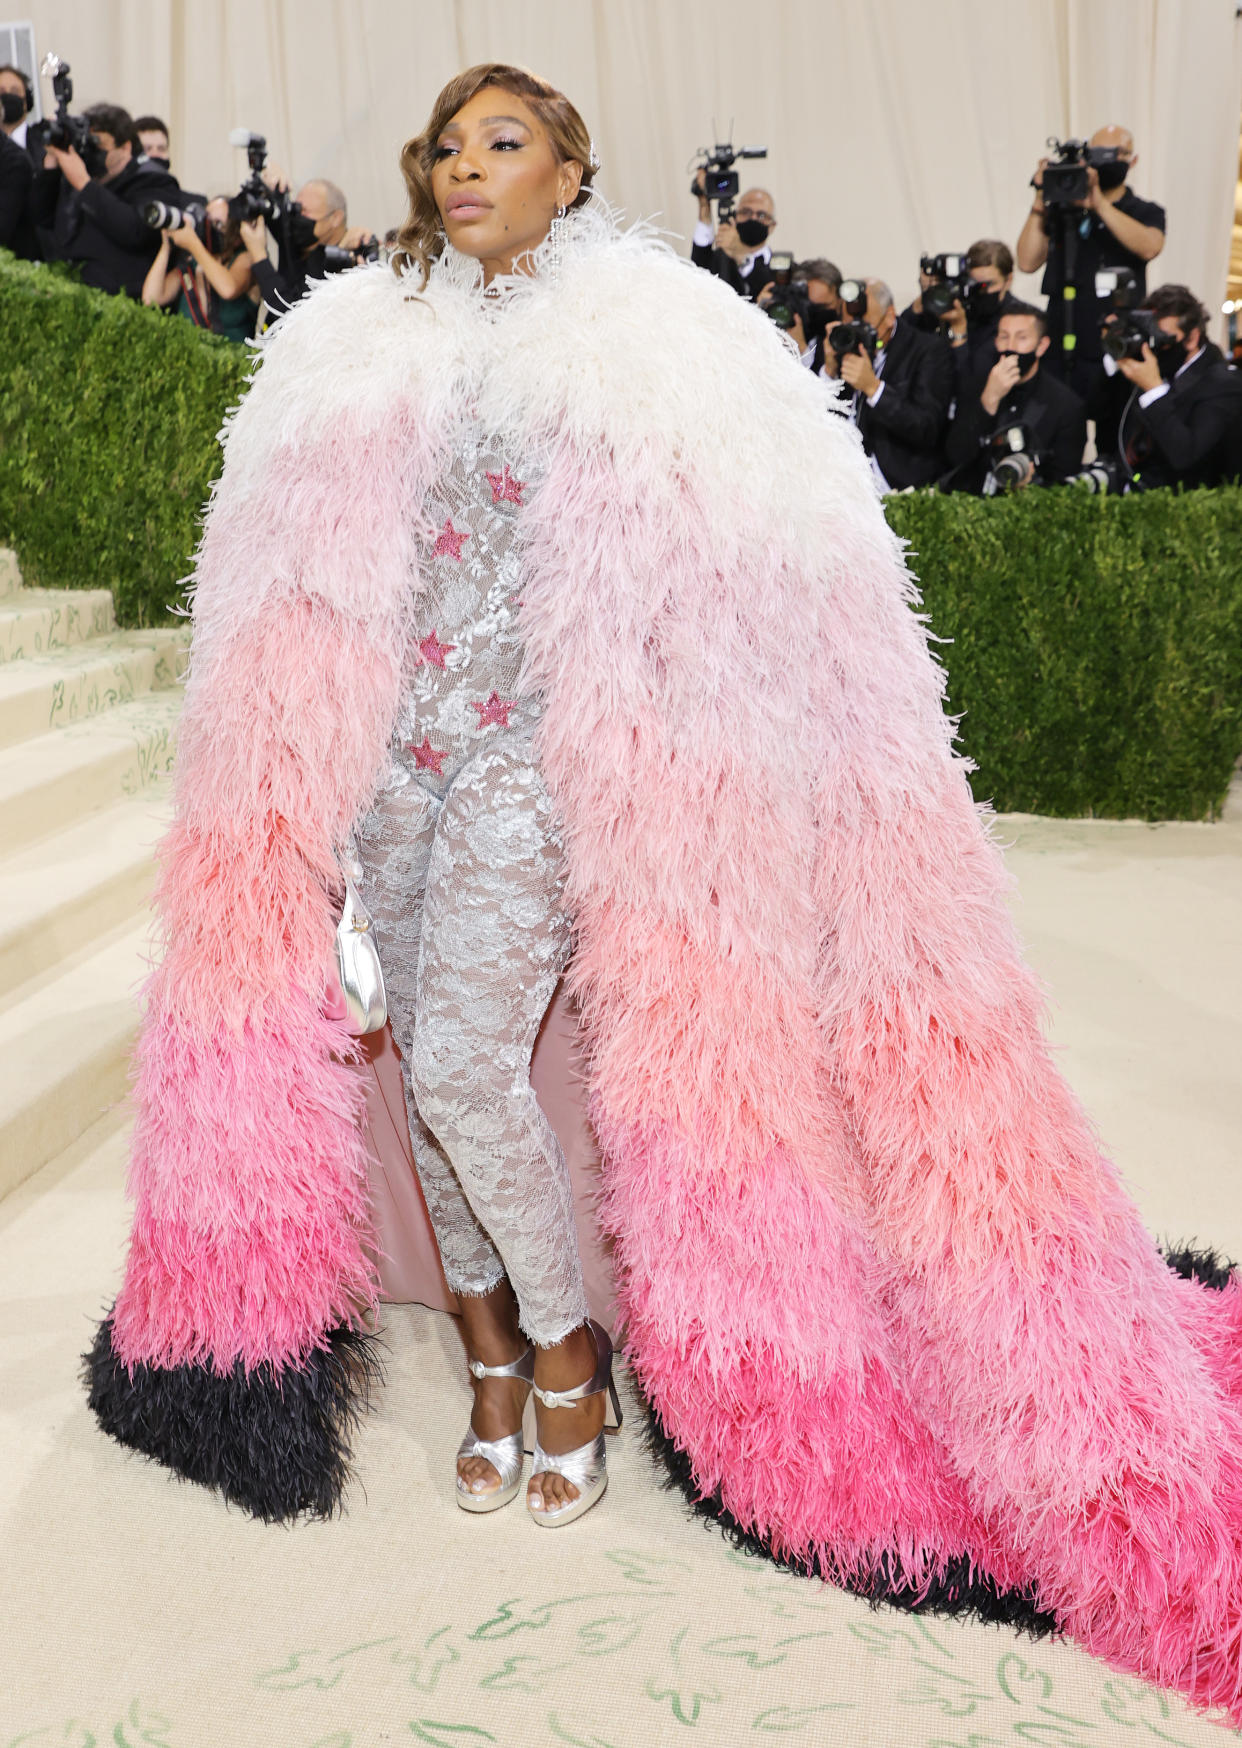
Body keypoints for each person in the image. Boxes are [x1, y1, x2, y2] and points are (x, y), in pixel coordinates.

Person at [84, 61, 1242, 1729]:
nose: (464, 167)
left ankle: (560, 1349)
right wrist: (296, 805)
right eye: (448, 145)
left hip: (532, 775)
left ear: (570, 168)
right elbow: (279, 586)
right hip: (386, 775)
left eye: (505, 142)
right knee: (419, 1069)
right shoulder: (348, 337)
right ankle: (488, 1357)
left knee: (473, 1057)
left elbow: (775, 579)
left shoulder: (665, 334)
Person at [1016, 124, 1165, 395]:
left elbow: (1150, 247)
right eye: (1097, 153)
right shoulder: (1062, 210)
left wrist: (1099, 205)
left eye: (1114, 154)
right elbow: (1026, 262)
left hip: (1115, 341)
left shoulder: (1144, 211)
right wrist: (1041, 197)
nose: (1104, 160)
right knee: (1060, 429)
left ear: (1133, 160)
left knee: (1113, 430)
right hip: (1061, 337)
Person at [29, 101, 180, 298]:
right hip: (69, 293)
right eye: (88, 144)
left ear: (125, 148)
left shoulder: (155, 180)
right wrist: (51, 161)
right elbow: (40, 217)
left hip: (124, 303)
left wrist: (85, 185)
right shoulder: (79, 176)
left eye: (98, 145)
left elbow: (136, 232)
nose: (91, 153)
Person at [1105, 283, 1242, 490]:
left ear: (1192, 338)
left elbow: (1185, 455)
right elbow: (1101, 415)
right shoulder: (1156, 365)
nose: (1154, 347)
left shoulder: (1223, 384)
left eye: (1162, 338)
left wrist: (1154, 390)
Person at [821, 277, 953, 490]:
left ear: (890, 317)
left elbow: (926, 427)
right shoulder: (838, 346)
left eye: (866, 326)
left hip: (897, 487)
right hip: (837, 484)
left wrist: (873, 389)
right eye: (850, 325)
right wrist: (829, 372)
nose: (857, 334)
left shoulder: (927, 351)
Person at [944, 301, 1086, 492]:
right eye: (1004, 337)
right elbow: (956, 456)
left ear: (1042, 345)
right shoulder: (977, 385)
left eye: (1022, 338)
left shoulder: (1066, 405)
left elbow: (1064, 480)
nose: (1010, 346)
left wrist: (1031, 483)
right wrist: (988, 401)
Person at [241, 175, 374, 320]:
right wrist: (268, 181)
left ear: (335, 218)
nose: (297, 218)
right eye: (295, 209)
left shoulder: (350, 261)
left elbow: (292, 315)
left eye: (305, 211)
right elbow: (253, 204)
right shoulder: (297, 240)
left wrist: (259, 256)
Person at [141, 196, 257, 341]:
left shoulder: (245, 258)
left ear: (236, 236)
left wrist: (193, 244)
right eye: (206, 218)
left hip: (232, 360)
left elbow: (228, 289)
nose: (207, 227)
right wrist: (166, 247)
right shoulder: (192, 261)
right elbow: (150, 299)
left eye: (217, 224)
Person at [690, 173, 777, 299]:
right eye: (746, 212)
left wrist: (740, 254)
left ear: (772, 225)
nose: (753, 218)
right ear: (735, 216)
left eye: (761, 215)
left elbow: (768, 289)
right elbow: (697, 271)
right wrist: (704, 207)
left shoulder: (779, 268)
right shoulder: (719, 259)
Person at [0, 62, 34, 151]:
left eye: (15, 91)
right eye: (1, 92)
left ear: (27, 101)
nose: (8, 96)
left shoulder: (47, 145)